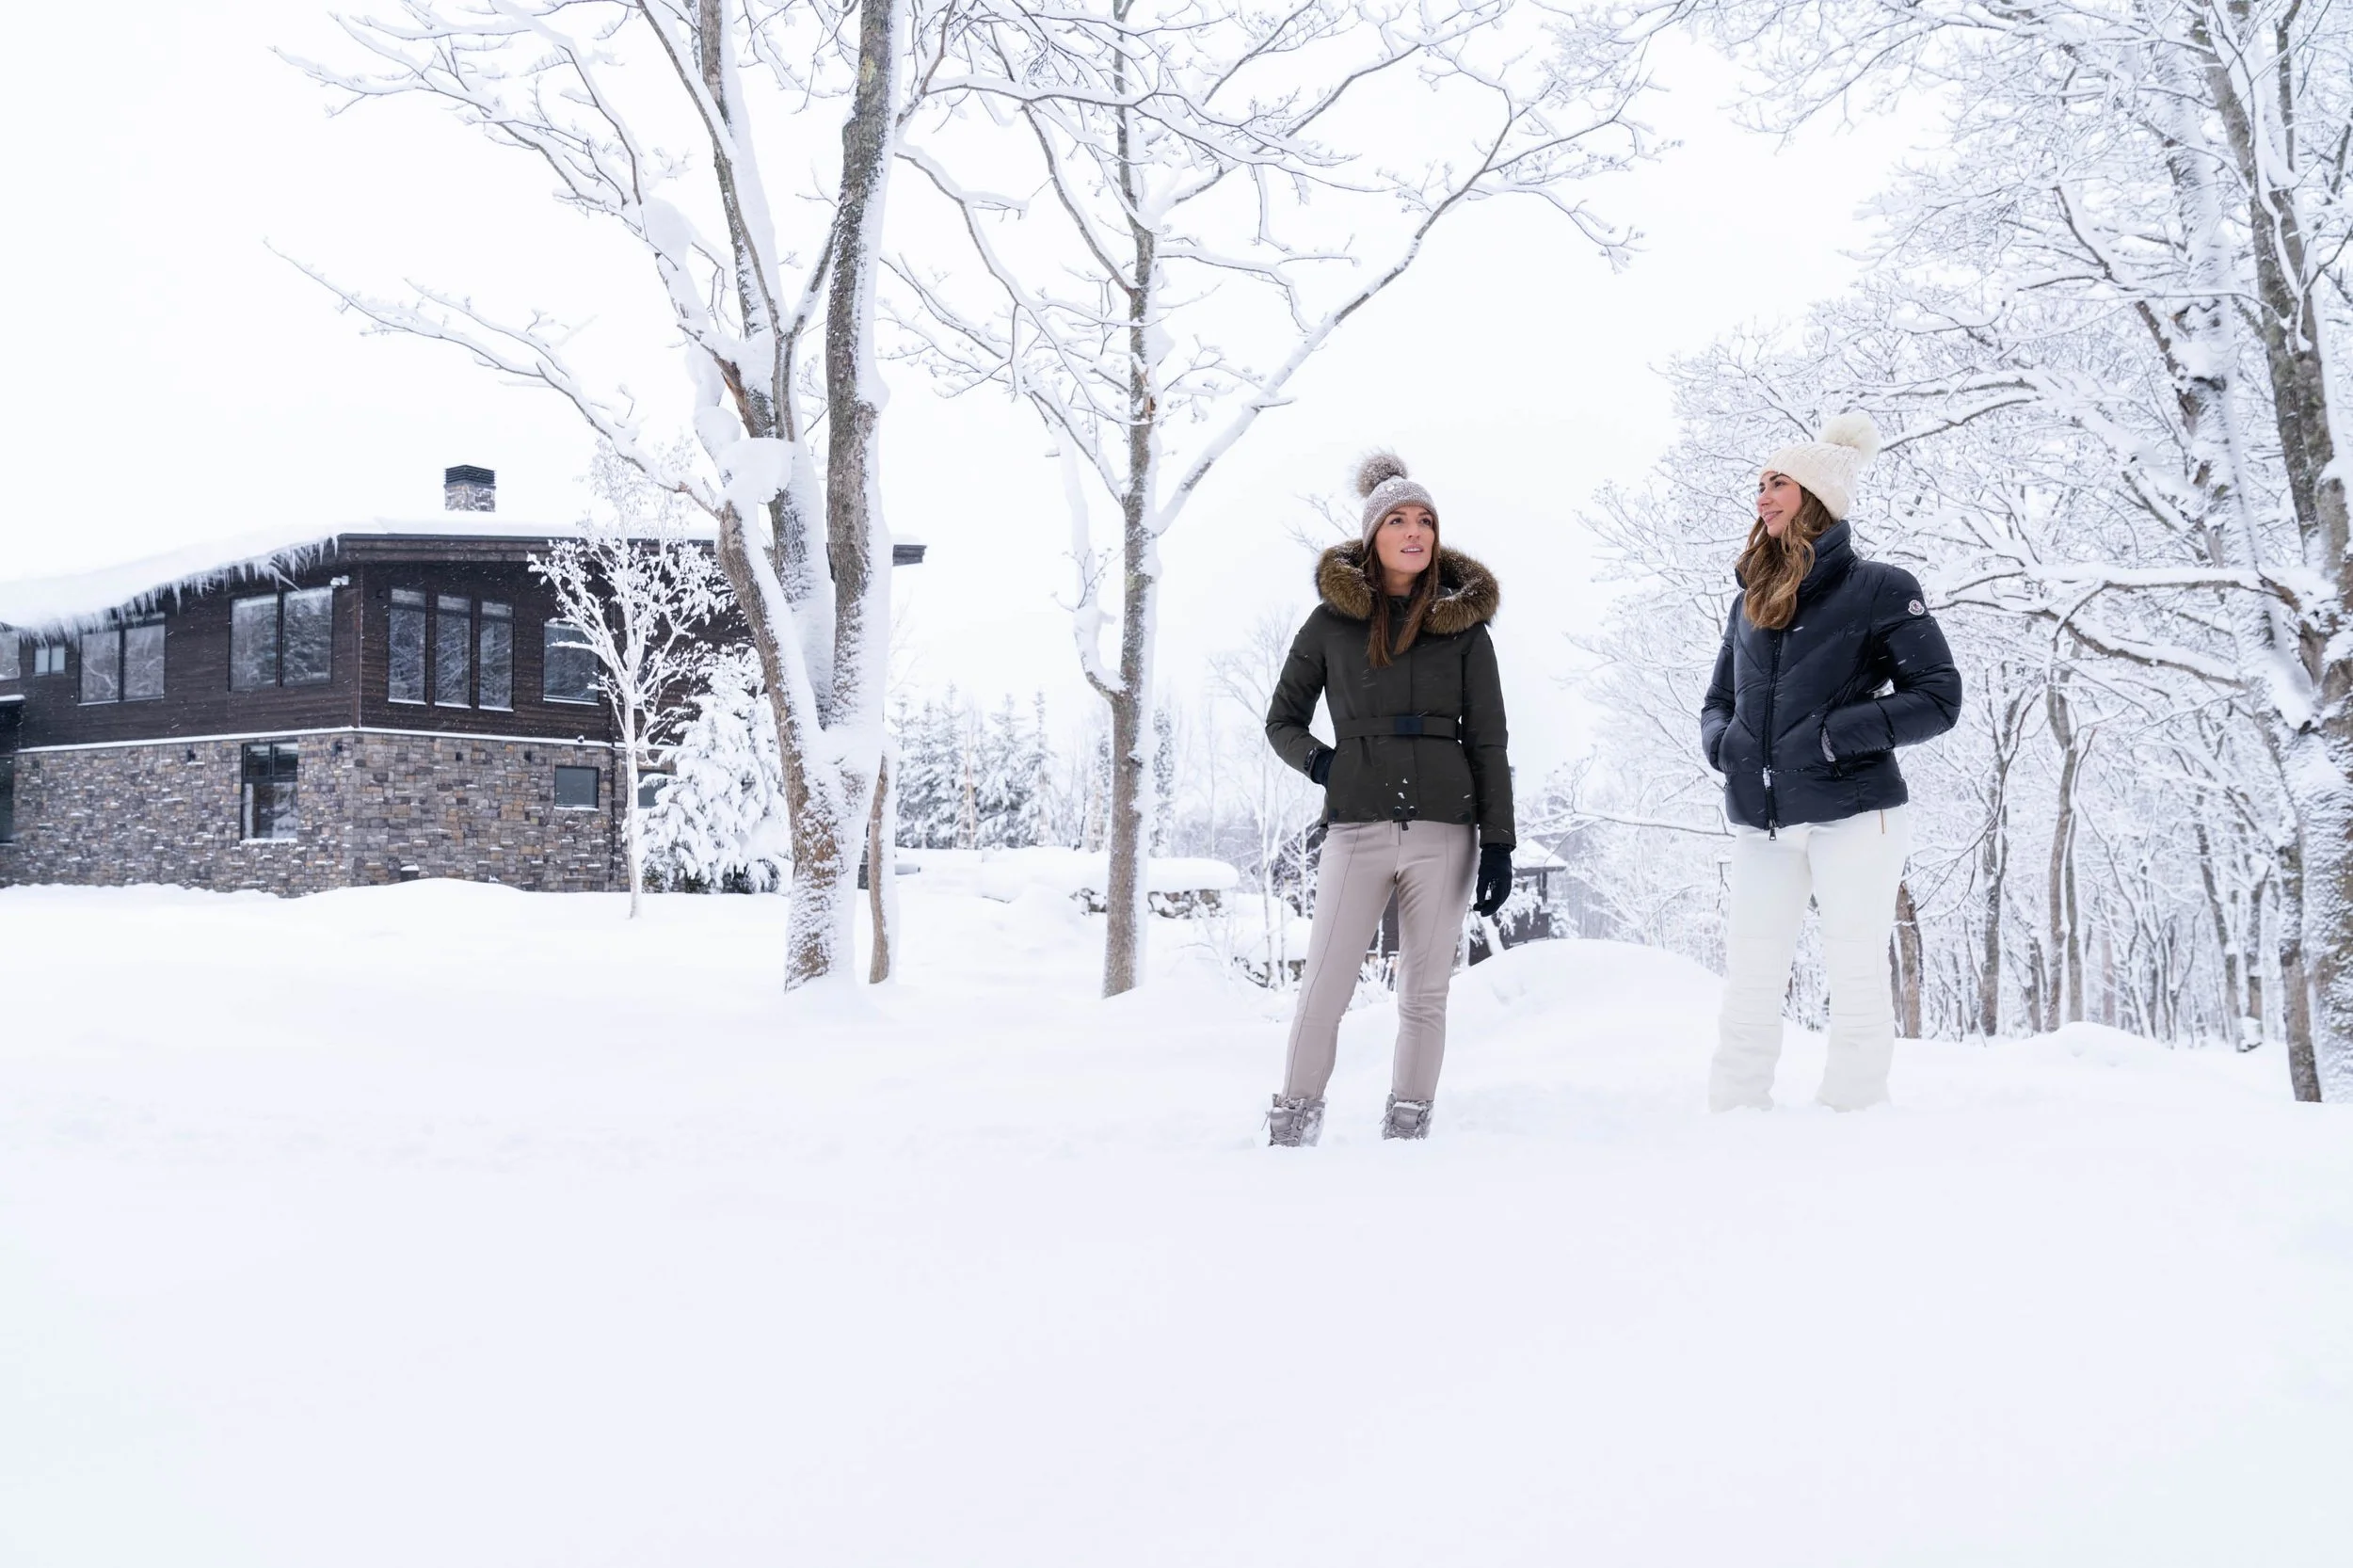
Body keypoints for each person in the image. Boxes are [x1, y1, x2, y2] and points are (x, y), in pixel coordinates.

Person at [1700, 413, 1962, 1112]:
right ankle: (1734, 1113)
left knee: (1854, 971)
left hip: (1856, 815)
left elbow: (1938, 698)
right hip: (1763, 819)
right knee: (1750, 974)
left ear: (1815, 496)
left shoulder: (1881, 588)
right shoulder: (1750, 599)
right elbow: (1718, 700)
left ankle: (1854, 1113)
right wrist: (1725, 744)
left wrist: (1829, 737)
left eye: (1777, 483)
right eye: (1760, 484)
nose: (1762, 496)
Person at [1262, 454, 1514, 1144]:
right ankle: (1292, 1125)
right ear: (1373, 534)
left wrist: (1499, 842)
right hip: (1356, 829)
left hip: (1446, 832)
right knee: (1324, 986)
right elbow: (1282, 721)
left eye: (1425, 520)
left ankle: (1408, 1131)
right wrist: (1326, 766)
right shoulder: (1329, 625)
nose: (1414, 532)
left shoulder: (1464, 631)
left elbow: (1489, 740)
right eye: (1399, 520)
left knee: (1425, 995)